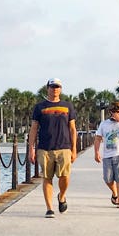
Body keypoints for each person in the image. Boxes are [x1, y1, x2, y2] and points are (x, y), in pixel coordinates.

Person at [28, 78, 78, 218]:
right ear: (47, 88)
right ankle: (49, 208)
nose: (55, 89)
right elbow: (34, 128)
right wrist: (31, 148)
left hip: (64, 147)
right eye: (52, 86)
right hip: (45, 148)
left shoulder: (67, 106)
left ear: (60, 89)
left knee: (65, 176)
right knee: (47, 178)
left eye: (57, 87)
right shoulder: (40, 107)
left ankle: (61, 196)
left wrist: (74, 149)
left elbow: (72, 129)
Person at [94, 101, 119, 208]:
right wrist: (96, 152)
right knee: (107, 179)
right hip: (107, 155)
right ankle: (114, 193)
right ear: (110, 112)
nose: (116, 113)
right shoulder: (104, 124)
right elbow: (98, 138)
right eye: (114, 111)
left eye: (118, 111)